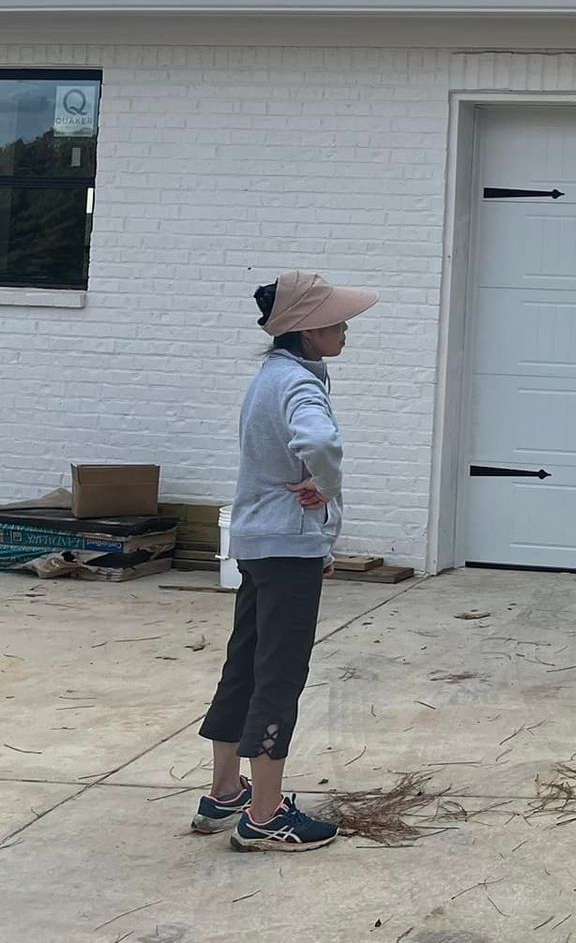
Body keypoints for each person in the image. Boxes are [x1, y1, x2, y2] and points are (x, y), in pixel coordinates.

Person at [191, 270, 377, 852]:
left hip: (257, 541)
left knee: (245, 660)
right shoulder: (298, 384)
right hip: (289, 546)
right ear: (306, 329)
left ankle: (227, 792)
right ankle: (266, 815)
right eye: (337, 322)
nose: (346, 329)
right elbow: (320, 443)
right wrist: (324, 486)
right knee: (280, 672)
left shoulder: (269, 375)